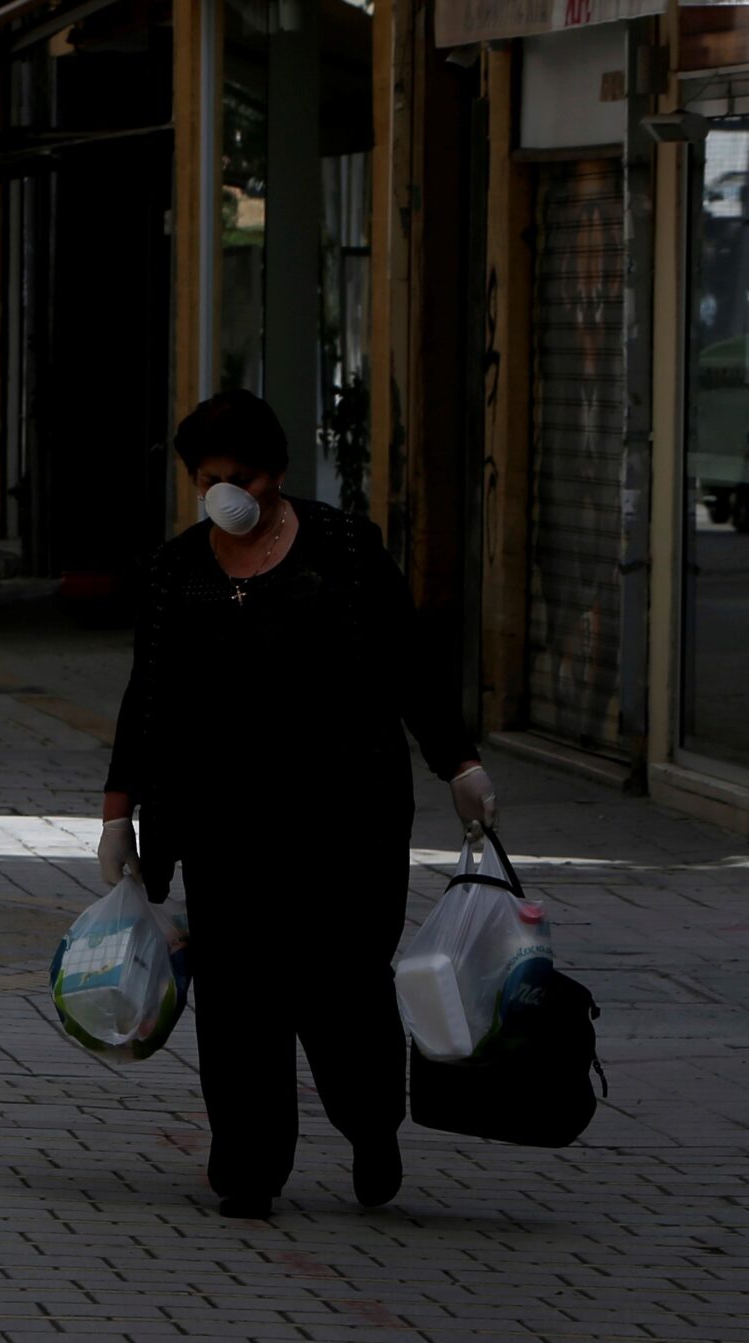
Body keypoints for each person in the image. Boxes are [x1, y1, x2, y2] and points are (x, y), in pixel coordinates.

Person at [99, 391, 497, 1220]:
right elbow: (149, 697)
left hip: (344, 817)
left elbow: (408, 664)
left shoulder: (344, 550)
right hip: (223, 822)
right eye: (206, 478)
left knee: (341, 988)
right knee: (239, 997)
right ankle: (248, 1165)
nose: (223, 493)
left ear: (275, 473)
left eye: (237, 477)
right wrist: (118, 810)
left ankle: (370, 1124)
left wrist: (456, 760)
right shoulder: (178, 572)